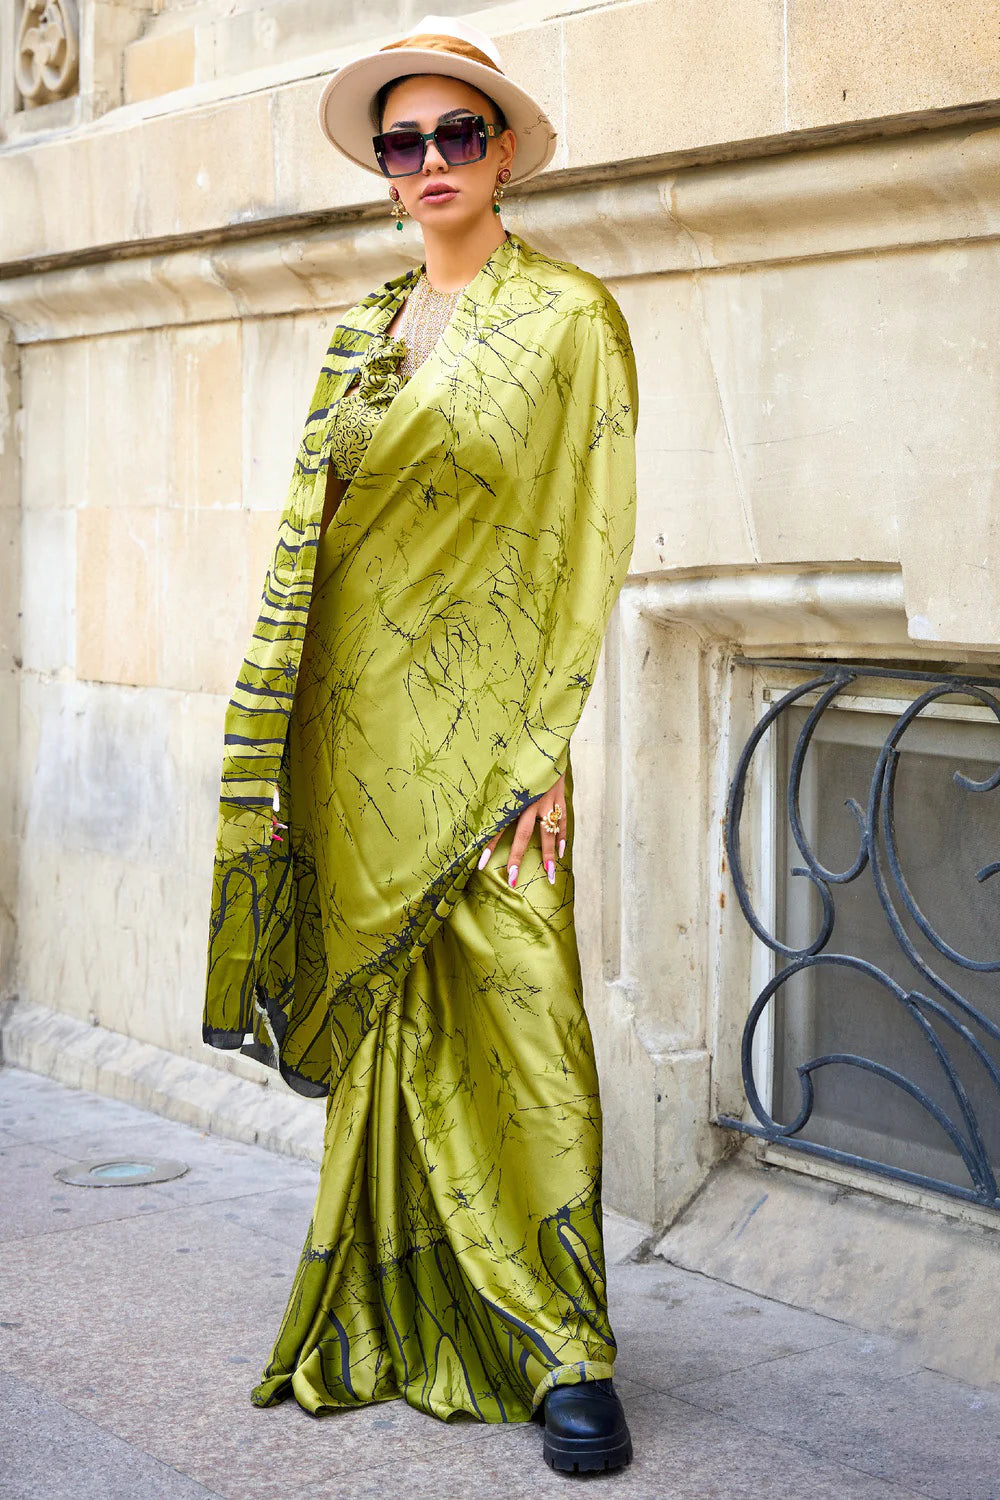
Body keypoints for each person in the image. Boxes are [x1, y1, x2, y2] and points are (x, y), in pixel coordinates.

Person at [201, 13, 639, 1477]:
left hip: (494, 734)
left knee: (526, 1015)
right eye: (408, 141)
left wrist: (547, 743)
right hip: (357, 731)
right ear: (383, 171)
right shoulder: (358, 333)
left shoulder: (570, 317)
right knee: (393, 1026)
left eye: (462, 133)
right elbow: (314, 552)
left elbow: (581, 537)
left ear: (502, 150)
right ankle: (400, 1298)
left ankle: (565, 1346)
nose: (435, 159)